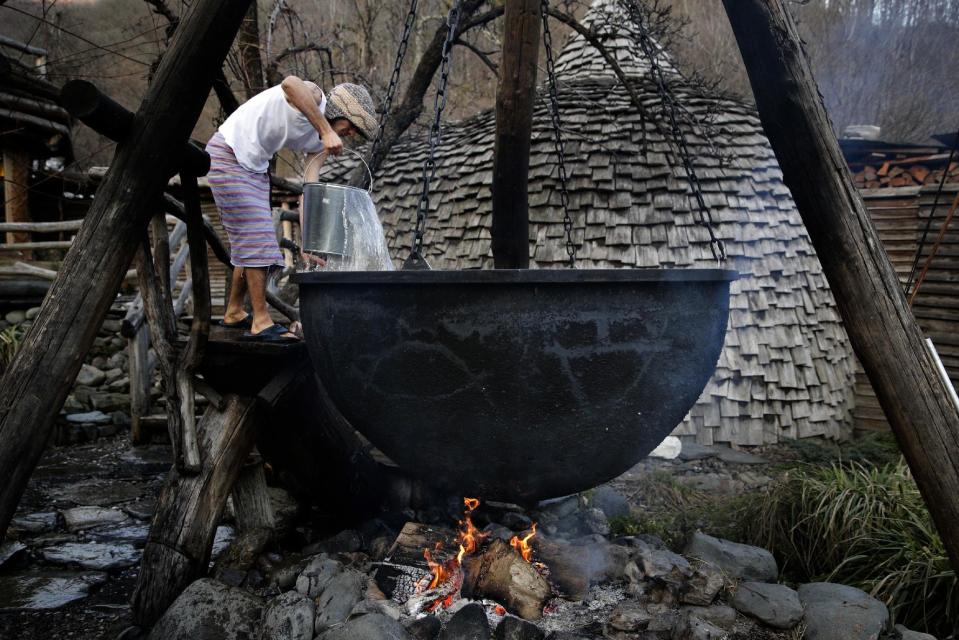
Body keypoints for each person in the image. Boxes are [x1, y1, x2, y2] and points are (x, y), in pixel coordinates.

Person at [205, 77, 378, 341]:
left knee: (249, 243)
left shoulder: (317, 143)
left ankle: (234, 312)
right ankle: (261, 322)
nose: (351, 134)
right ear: (340, 111)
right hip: (229, 154)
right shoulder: (316, 98)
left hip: (253, 168)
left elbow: (310, 190)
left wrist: (308, 243)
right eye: (352, 126)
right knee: (257, 238)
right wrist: (326, 129)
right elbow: (289, 83)